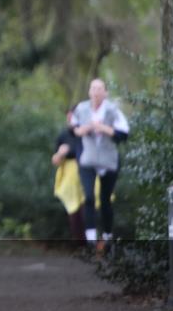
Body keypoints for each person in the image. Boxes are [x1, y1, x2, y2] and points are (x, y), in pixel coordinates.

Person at [71, 78, 130, 251]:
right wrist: (86, 128)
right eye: (93, 88)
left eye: (100, 89)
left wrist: (104, 128)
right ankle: (90, 238)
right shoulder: (81, 109)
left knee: (105, 200)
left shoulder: (113, 111)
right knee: (88, 197)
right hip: (87, 159)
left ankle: (107, 236)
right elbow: (74, 129)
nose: (96, 92)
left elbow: (123, 134)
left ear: (105, 92)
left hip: (108, 160)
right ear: (89, 92)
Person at [51, 108, 85, 243]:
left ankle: (95, 244)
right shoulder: (63, 136)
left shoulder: (87, 133)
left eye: (73, 117)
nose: (70, 121)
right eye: (68, 118)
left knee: (87, 210)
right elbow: (55, 160)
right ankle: (80, 244)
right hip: (70, 179)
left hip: (88, 175)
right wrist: (60, 153)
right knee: (74, 213)